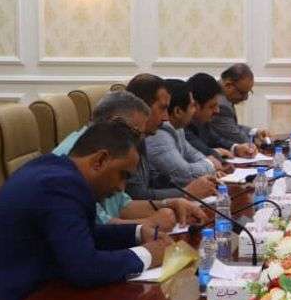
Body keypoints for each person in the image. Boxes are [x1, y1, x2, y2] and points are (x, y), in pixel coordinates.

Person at [0, 121, 174, 300]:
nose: (121, 187)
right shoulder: (60, 185)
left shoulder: (53, 169)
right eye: (123, 175)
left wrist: (138, 233)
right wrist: (148, 254)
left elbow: (80, 236)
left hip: (27, 299)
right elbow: (84, 267)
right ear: (100, 160)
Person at [54, 91, 207, 228]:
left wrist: (171, 204)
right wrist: (149, 224)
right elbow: (99, 225)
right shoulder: (77, 157)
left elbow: (122, 206)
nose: (139, 141)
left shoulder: (108, 151)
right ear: (114, 123)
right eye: (136, 133)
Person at [124, 73, 218, 201]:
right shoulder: (125, 141)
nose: (166, 118)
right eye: (162, 108)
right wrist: (187, 193)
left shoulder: (142, 135)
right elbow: (136, 195)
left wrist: (199, 183)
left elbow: (154, 180)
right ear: (141, 108)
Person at [146, 79, 228, 187]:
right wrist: (211, 165)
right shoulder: (158, 134)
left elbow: (192, 154)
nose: (194, 110)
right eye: (193, 106)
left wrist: (209, 170)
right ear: (178, 111)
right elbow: (184, 174)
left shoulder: (177, 128)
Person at [186, 72, 256, 158]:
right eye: (212, 106)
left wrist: (235, 148)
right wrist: (216, 152)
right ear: (195, 106)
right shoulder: (181, 127)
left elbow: (215, 140)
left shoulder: (202, 122)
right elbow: (199, 150)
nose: (217, 110)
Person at [210, 63, 269, 146]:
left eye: (249, 92)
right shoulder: (221, 104)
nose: (246, 98)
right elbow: (238, 137)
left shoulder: (222, 95)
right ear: (228, 85)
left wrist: (255, 132)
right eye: (242, 93)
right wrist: (263, 145)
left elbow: (231, 126)